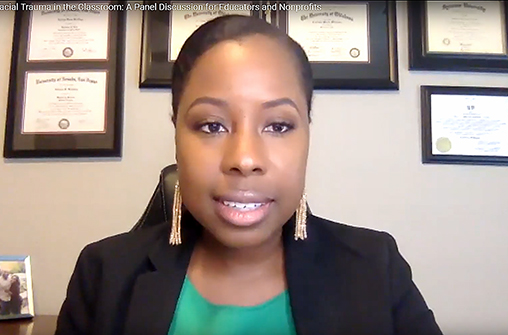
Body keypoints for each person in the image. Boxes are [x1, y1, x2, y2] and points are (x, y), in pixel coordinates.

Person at [55, 15, 443, 335]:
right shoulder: (104, 274)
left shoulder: (376, 268)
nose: (244, 158)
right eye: (211, 125)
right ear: (176, 132)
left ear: (308, 131)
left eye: (277, 126)